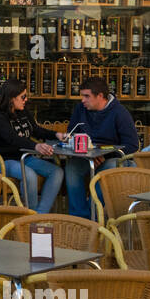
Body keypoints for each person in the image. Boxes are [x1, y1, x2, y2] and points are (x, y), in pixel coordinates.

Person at [62, 75, 140, 218]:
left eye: (87, 96)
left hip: (112, 158)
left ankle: (93, 214)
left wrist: (104, 155)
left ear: (100, 96)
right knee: (71, 167)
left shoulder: (119, 113)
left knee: (107, 171)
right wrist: (75, 145)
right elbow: (72, 133)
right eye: (82, 96)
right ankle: (80, 216)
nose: (82, 100)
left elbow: (132, 145)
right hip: (86, 155)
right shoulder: (80, 109)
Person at [0, 79, 65, 214]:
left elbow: (36, 130)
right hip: (3, 160)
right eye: (23, 97)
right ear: (11, 98)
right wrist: (36, 146)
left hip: (24, 157)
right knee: (30, 175)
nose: (26, 100)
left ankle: (39, 214)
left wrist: (56, 134)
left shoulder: (22, 111)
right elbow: (12, 138)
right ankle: (30, 213)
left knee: (57, 172)